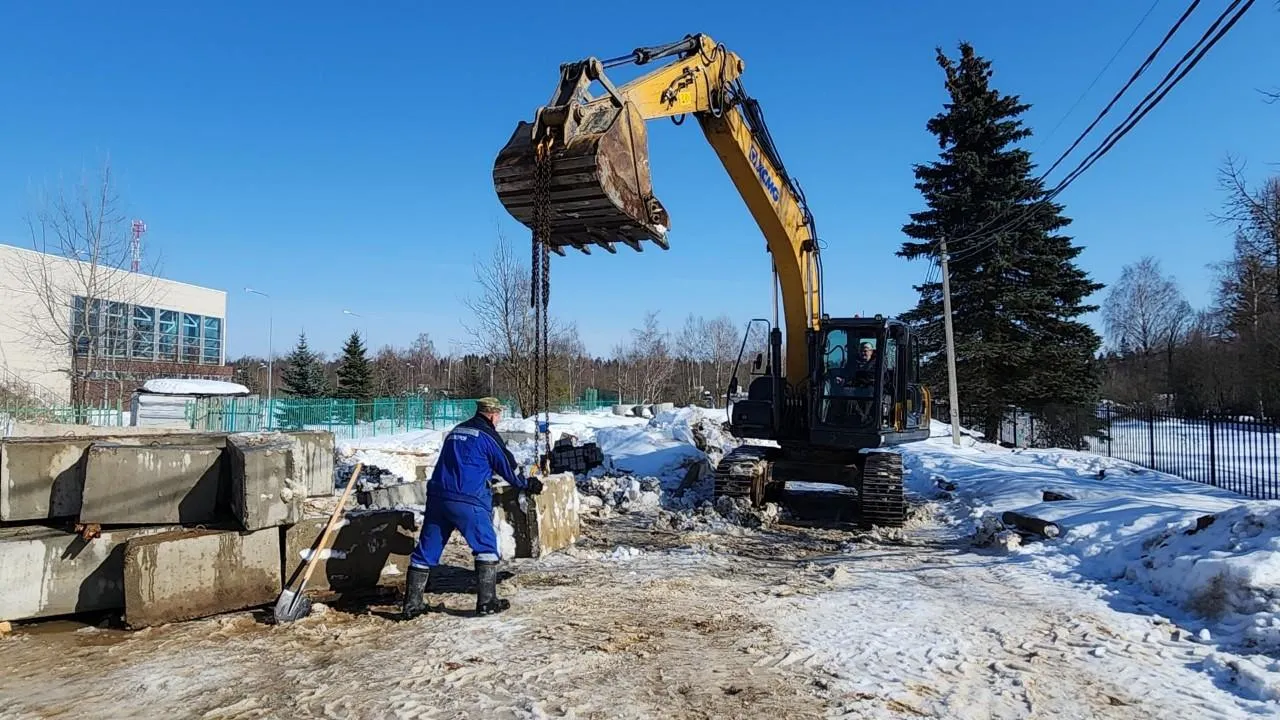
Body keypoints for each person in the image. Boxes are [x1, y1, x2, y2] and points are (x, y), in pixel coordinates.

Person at [401, 397, 543, 619]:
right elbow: (508, 467)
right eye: (499, 415)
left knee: (426, 550)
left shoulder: (456, 431)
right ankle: (487, 602)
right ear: (493, 415)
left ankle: (412, 604)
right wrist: (527, 483)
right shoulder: (488, 436)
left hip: (438, 497)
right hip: (468, 499)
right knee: (486, 546)